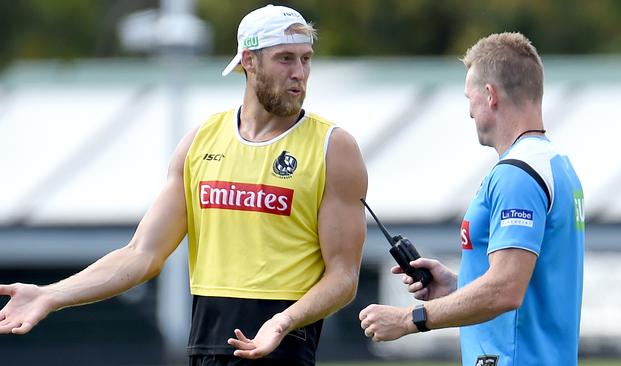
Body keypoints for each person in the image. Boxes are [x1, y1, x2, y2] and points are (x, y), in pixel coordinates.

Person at [0, 4, 368, 366]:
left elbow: (343, 277)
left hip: (280, 348)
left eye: (306, 59)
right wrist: (50, 295)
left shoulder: (333, 148)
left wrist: (282, 321)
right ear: (249, 61)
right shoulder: (201, 141)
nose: (299, 73)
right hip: (205, 346)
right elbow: (142, 254)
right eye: (285, 58)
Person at [359, 32, 585, 366]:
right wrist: (457, 285)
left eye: (470, 98)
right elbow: (526, 279)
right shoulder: (556, 164)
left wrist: (409, 318)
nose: (469, 112)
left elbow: (505, 289)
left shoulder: (516, 175)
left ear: (491, 95)